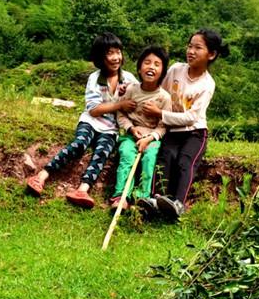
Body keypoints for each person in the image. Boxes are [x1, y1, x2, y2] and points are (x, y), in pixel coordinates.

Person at [26, 32, 138, 209]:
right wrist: (120, 104)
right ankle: (41, 176)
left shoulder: (130, 79)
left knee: (101, 153)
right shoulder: (94, 78)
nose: (116, 57)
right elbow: (94, 110)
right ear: (101, 57)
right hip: (90, 122)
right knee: (79, 144)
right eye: (110, 53)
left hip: (111, 129)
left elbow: (136, 102)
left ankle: (82, 189)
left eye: (118, 52)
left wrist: (128, 99)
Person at [138, 28, 229, 220]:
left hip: (194, 133)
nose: (191, 51)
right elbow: (159, 93)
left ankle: (178, 203)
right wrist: (130, 88)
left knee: (185, 162)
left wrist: (160, 113)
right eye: (190, 46)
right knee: (165, 158)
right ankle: (156, 199)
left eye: (198, 48)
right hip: (172, 130)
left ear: (211, 54)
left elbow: (191, 118)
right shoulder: (175, 70)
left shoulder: (207, 84)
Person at [110, 45, 171, 210]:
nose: (151, 67)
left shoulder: (165, 98)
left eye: (157, 64)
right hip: (131, 136)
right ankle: (121, 196)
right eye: (147, 62)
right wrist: (130, 129)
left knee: (150, 158)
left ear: (163, 72)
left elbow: (163, 126)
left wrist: (149, 139)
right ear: (139, 68)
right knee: (126, 155)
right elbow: (120, 114)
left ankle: (142, 199)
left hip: (151, 139)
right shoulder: (131, 90)